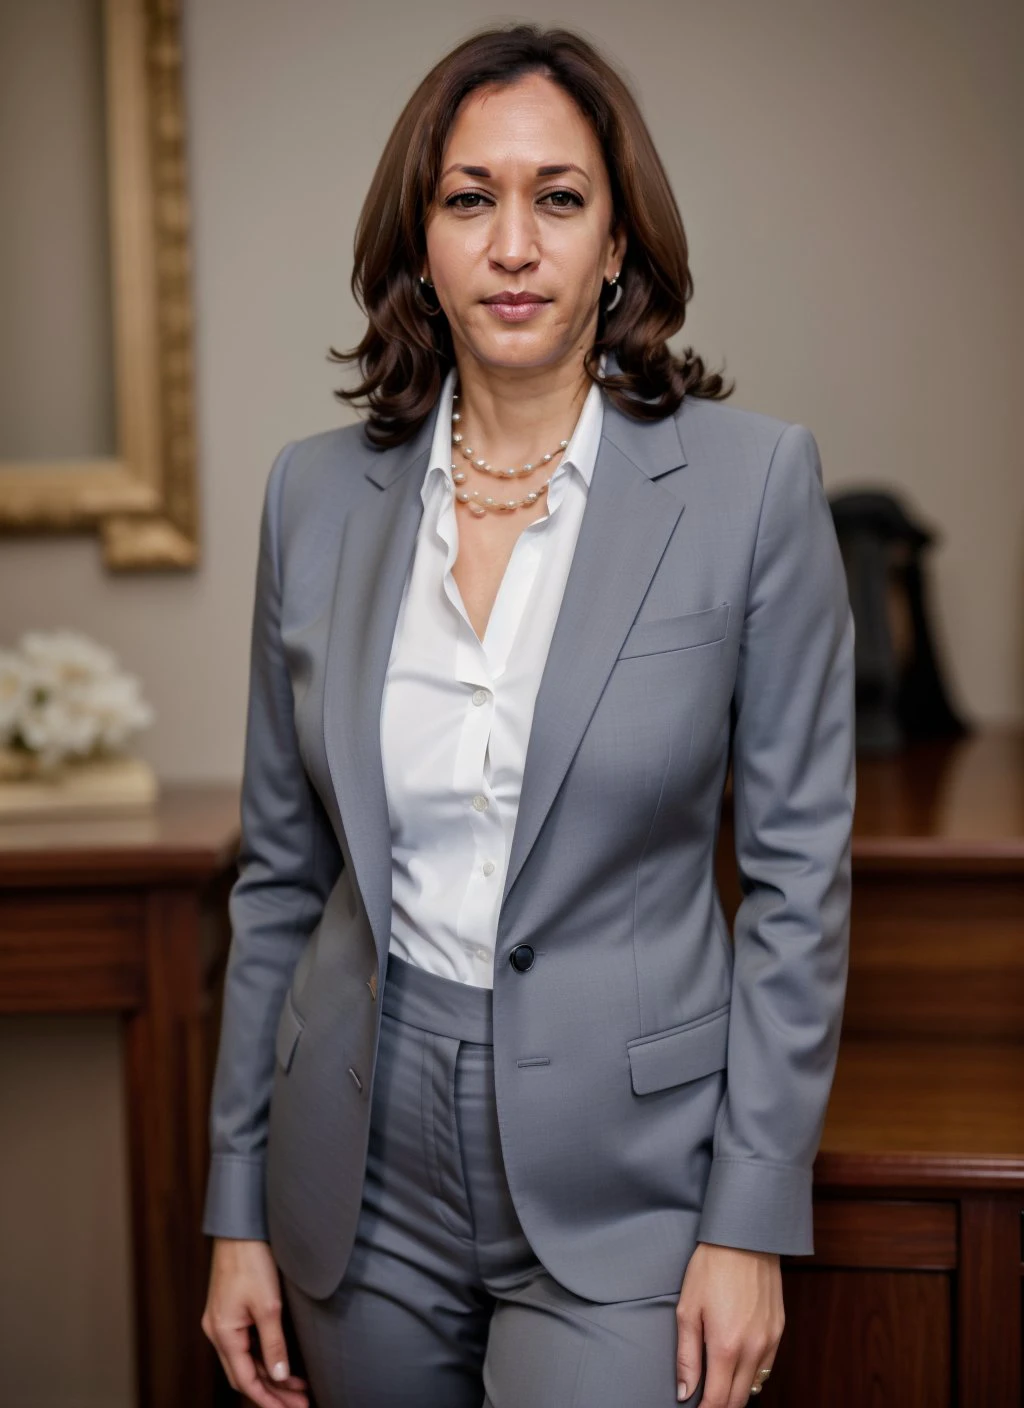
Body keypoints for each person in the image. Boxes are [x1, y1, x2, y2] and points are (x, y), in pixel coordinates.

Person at [200, 23, 855, 1408]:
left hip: (626, 1169)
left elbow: (800, 885)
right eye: (469, 198)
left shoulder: (752, 488)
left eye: (558, 199)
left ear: (617, 245)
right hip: (359, 1155)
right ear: (421, 245)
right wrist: (237, 1206)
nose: (514, 245)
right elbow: (278, 883)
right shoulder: (309, 499)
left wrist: (751, 1217)